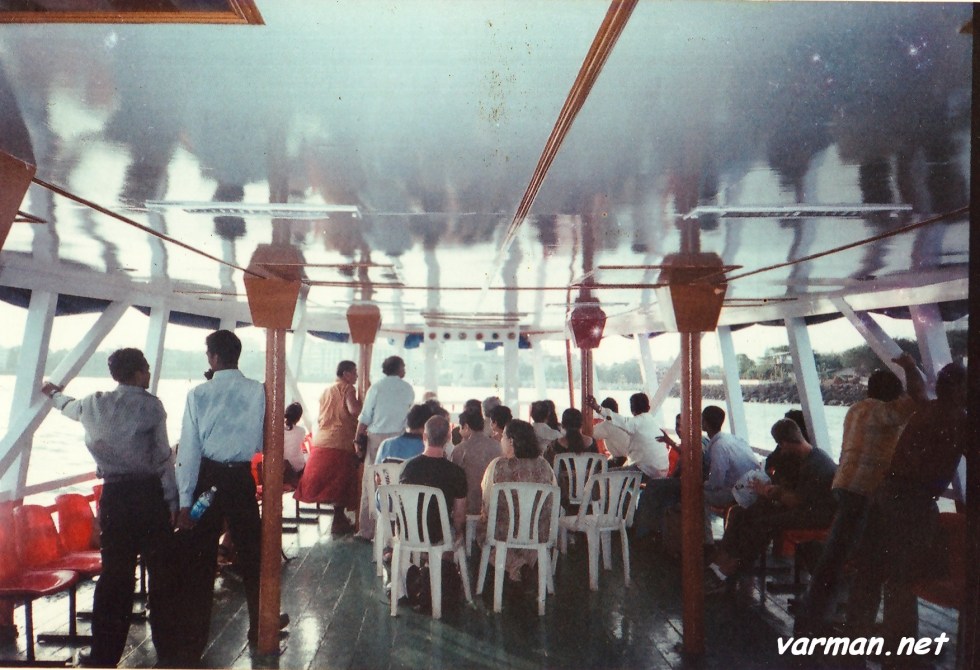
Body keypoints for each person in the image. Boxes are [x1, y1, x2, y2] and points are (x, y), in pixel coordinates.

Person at [41, 348, 179, 668]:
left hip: (114, 498)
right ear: (137, 373)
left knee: (115, 578)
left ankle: (104, 656)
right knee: (161, 574)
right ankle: (169, 651)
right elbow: (162, 460)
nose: (147, 375)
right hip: (149, 497)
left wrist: (53, 393)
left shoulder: (93, 403)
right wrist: (173, 501)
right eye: (145, 370)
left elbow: (67, 406)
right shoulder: (151, 406)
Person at [174, 330, 286, 658]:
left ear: (214, 358)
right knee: (252, 554)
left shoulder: (198, 395)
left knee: (199, 556)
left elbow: (190, 451)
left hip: (207, 486)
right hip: (241, 482)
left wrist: (185, 503)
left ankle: (194, 639)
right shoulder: (259, 392)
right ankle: (260, 625)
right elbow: (269, 441)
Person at [797, 352, 926, 634]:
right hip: (863, 492)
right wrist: (910, 367)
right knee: (843, 560)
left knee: (846, 555)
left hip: (844, 486)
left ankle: (824, 617)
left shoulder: (856, 410)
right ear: (892, 394)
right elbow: (917, 397)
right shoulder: (882, 412)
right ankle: (814, 622)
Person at [843, 362, 967, 648]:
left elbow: (917, 389)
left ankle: (853, 644)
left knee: (870, 573)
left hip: (885, 494)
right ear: (961, 390)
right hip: (913, 503)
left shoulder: (925, 408)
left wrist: (910, 365)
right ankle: (900, 654)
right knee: (904, 576)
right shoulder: (959, 421)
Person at [710, 418, 837, 580]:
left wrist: (769, 492)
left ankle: (734, 568)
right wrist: (772, 491)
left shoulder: (816, 465)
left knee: (762, 522)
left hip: (817, 517)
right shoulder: (811, 457)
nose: (781, 450)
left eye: (781, 445)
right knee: (744, 513)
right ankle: (726, 558)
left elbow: (797, 501)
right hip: (806, 508)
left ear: (785, 443)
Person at [479, 419, 558, 584]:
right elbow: (553, 501)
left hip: (502, 532)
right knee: (530, 539)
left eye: (503, 437)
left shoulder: (496, 466)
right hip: (537, 532)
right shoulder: (545, 466)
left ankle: (517, 565)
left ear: (511, 441)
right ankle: (528, 565)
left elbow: (487, 501)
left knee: (482, 534)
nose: (500, 440)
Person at [294, 360, 362, 535]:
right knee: (341, 482)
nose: (356, 376)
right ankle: (339, 520)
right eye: (354, 372)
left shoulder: (326, 390)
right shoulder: (348, 389)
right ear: (346, 374)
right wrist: (364, 405)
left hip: (321, 441)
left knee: (331, 483)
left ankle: (338, 519)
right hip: (340, 442)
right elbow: (354, 410)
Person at [353, 356, 415, 540]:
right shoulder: (408, 389)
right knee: (397, 482)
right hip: (399, 440)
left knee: (370, 483)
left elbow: (364, 418)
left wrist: (357, 440)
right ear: (399, 368)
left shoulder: (377, 387)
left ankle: (367, 530)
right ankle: (397, 530)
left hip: (376, 440)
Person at [631, 414, 709, 542]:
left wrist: (670, 442)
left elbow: (693, 457)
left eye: (682, 426)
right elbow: (678, 469)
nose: (678, 429)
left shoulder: (697, 442)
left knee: (652, 487)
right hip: (683, 484)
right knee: (656, 490)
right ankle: (652, 530)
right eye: (677, 425)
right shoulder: (688, 443)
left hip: (695, 486)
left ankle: (641, 532)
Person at [399, 416, 467, 546]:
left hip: (408, 532)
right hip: (437, 534)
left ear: (424, 436)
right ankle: (440, 560)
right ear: (448, 438)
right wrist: (459, 532)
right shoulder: (456, 473)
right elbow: (459, 516)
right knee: (455, 534)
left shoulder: (408, 468)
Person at [587, 393, 669, 480]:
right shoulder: (653, 421)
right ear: (648, 407)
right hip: (662, 470)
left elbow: (589, 434)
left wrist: (598, 408)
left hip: (646, 471)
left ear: (632, 408)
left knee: (600, 477)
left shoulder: (635, 423)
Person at [450, 409, 502, 517]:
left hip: (468, 509)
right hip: (494, 508)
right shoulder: (497, 446)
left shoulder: (460, 449)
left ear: (466, 427)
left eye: (460, 427)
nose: (459, 431)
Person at [592, 397, 629, 467]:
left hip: (621, 462)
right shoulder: (624, 420)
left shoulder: (607, 424)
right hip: (631, 459)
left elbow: (589, 433)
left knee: (595, 467)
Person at [282, 402, 306, 488]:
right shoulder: (301, 431)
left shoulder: (278, 429)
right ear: (298, 418)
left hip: (281, 469)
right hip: (296, 469)